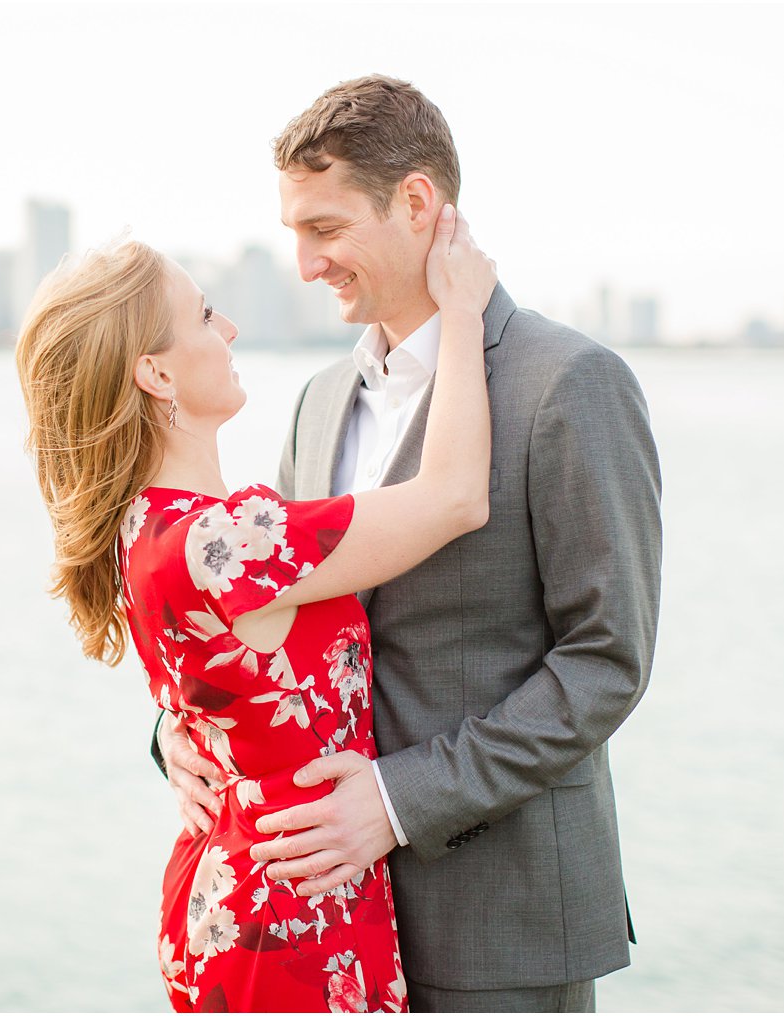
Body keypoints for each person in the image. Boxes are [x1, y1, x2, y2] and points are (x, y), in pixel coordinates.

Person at [156, 75, 664, 1012]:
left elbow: (606, 662)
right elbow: (263, 626)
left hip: (502, 923)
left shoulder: (572, 385)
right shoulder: (315, 404)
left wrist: (397, 801)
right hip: (326, 925)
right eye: (294, 234)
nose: (306, 264)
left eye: (326, 228)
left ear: (419, 203)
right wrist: (180, 742)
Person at [15, 206, 497, 1011]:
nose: (229, 327)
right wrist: (462, 314)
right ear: (157, 375)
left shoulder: (141, 526)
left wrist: (174, 739)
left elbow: (215, 694)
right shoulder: (224, 539)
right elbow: (451, 498)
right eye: (204, 315)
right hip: (291, 916)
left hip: (231, 887)